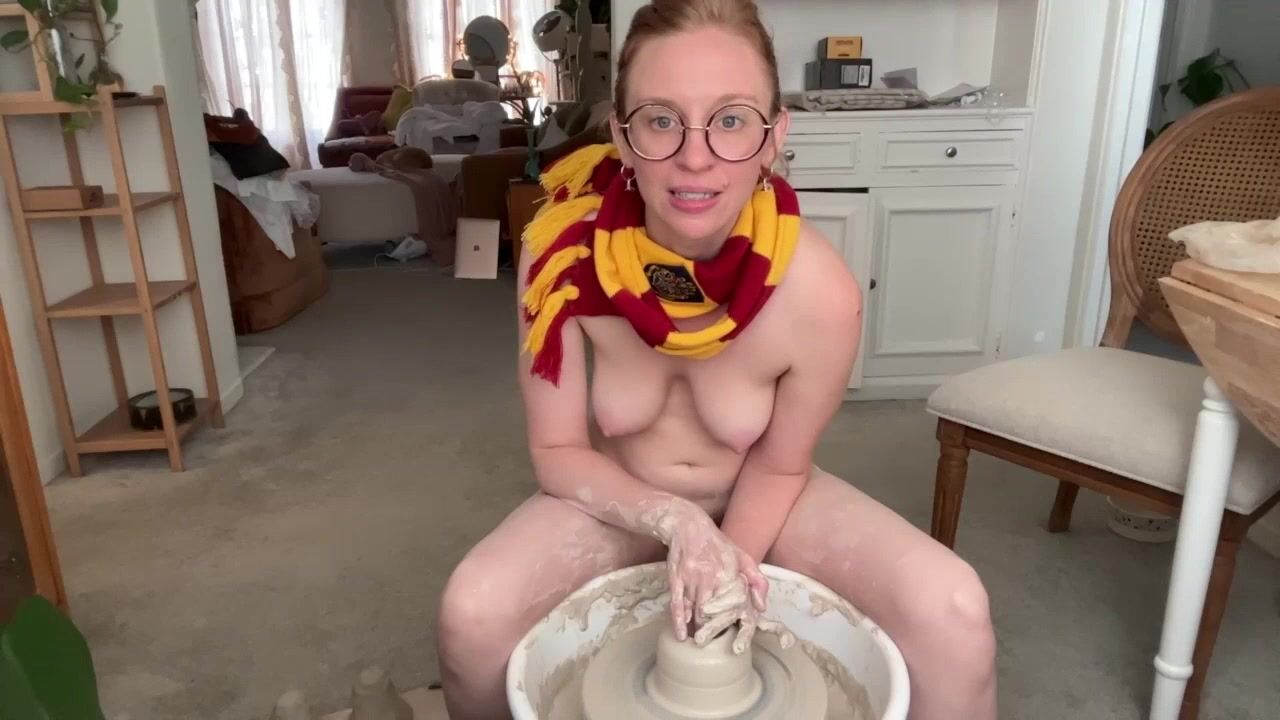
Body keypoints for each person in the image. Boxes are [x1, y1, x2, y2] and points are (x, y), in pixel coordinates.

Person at [435, 1, 998, 718]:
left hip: (766, 496)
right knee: (471, 614)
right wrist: (675, 522)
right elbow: (557, 451)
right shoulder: (560, 258)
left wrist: (726, 563)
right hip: (618, 498)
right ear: (622, 135)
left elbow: (782, 466)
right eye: (661, 120)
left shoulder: (819, 293)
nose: (694, 156)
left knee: (954, 611)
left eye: (730, 120)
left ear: (773, 137)